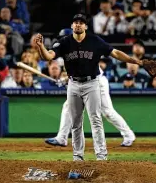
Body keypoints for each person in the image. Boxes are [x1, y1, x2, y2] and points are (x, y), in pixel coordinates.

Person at [35, 13, 145, 161]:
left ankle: (124, 137)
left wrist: (135, 61)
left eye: (81, 22)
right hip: (75, 82)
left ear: (85, 26)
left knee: (103, 114)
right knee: (73, 115)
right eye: (76, 22)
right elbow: (50, 58)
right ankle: (69, 146)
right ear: (72, 26)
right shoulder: (65, 42)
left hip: (96, 81)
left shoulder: (94, 41)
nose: (78, 24)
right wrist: (41, 47)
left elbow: (114, 53)